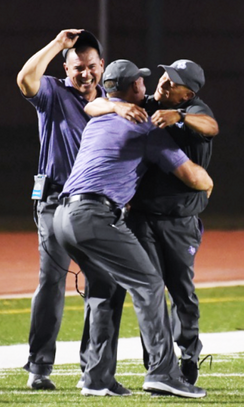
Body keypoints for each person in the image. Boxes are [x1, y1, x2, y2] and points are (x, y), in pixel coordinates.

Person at [53, 59, 212, 398]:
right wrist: (209, 183)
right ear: (131, 91)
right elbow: (193, 176)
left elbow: (97, 103)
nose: (148, 84)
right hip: (96, 215)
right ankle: (163, 373)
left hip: (64, 216)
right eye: (140, 82)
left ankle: (96, 378)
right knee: (150, 284)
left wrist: (116, 104)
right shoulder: (145, 127)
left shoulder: (100, 117)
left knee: (104, 290)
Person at [16, 28, 111, 390]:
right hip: (55, 201)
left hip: (94, 204)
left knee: (102, 282)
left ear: (101, 66)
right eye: (77, 68)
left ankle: (93, 370)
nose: (85, 73)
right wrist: (58, 44)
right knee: (52, 282)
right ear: (65, 69)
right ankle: (39, 368)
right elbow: (25, 79)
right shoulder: (53, 92)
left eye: (91, 66)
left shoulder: (110, 100)